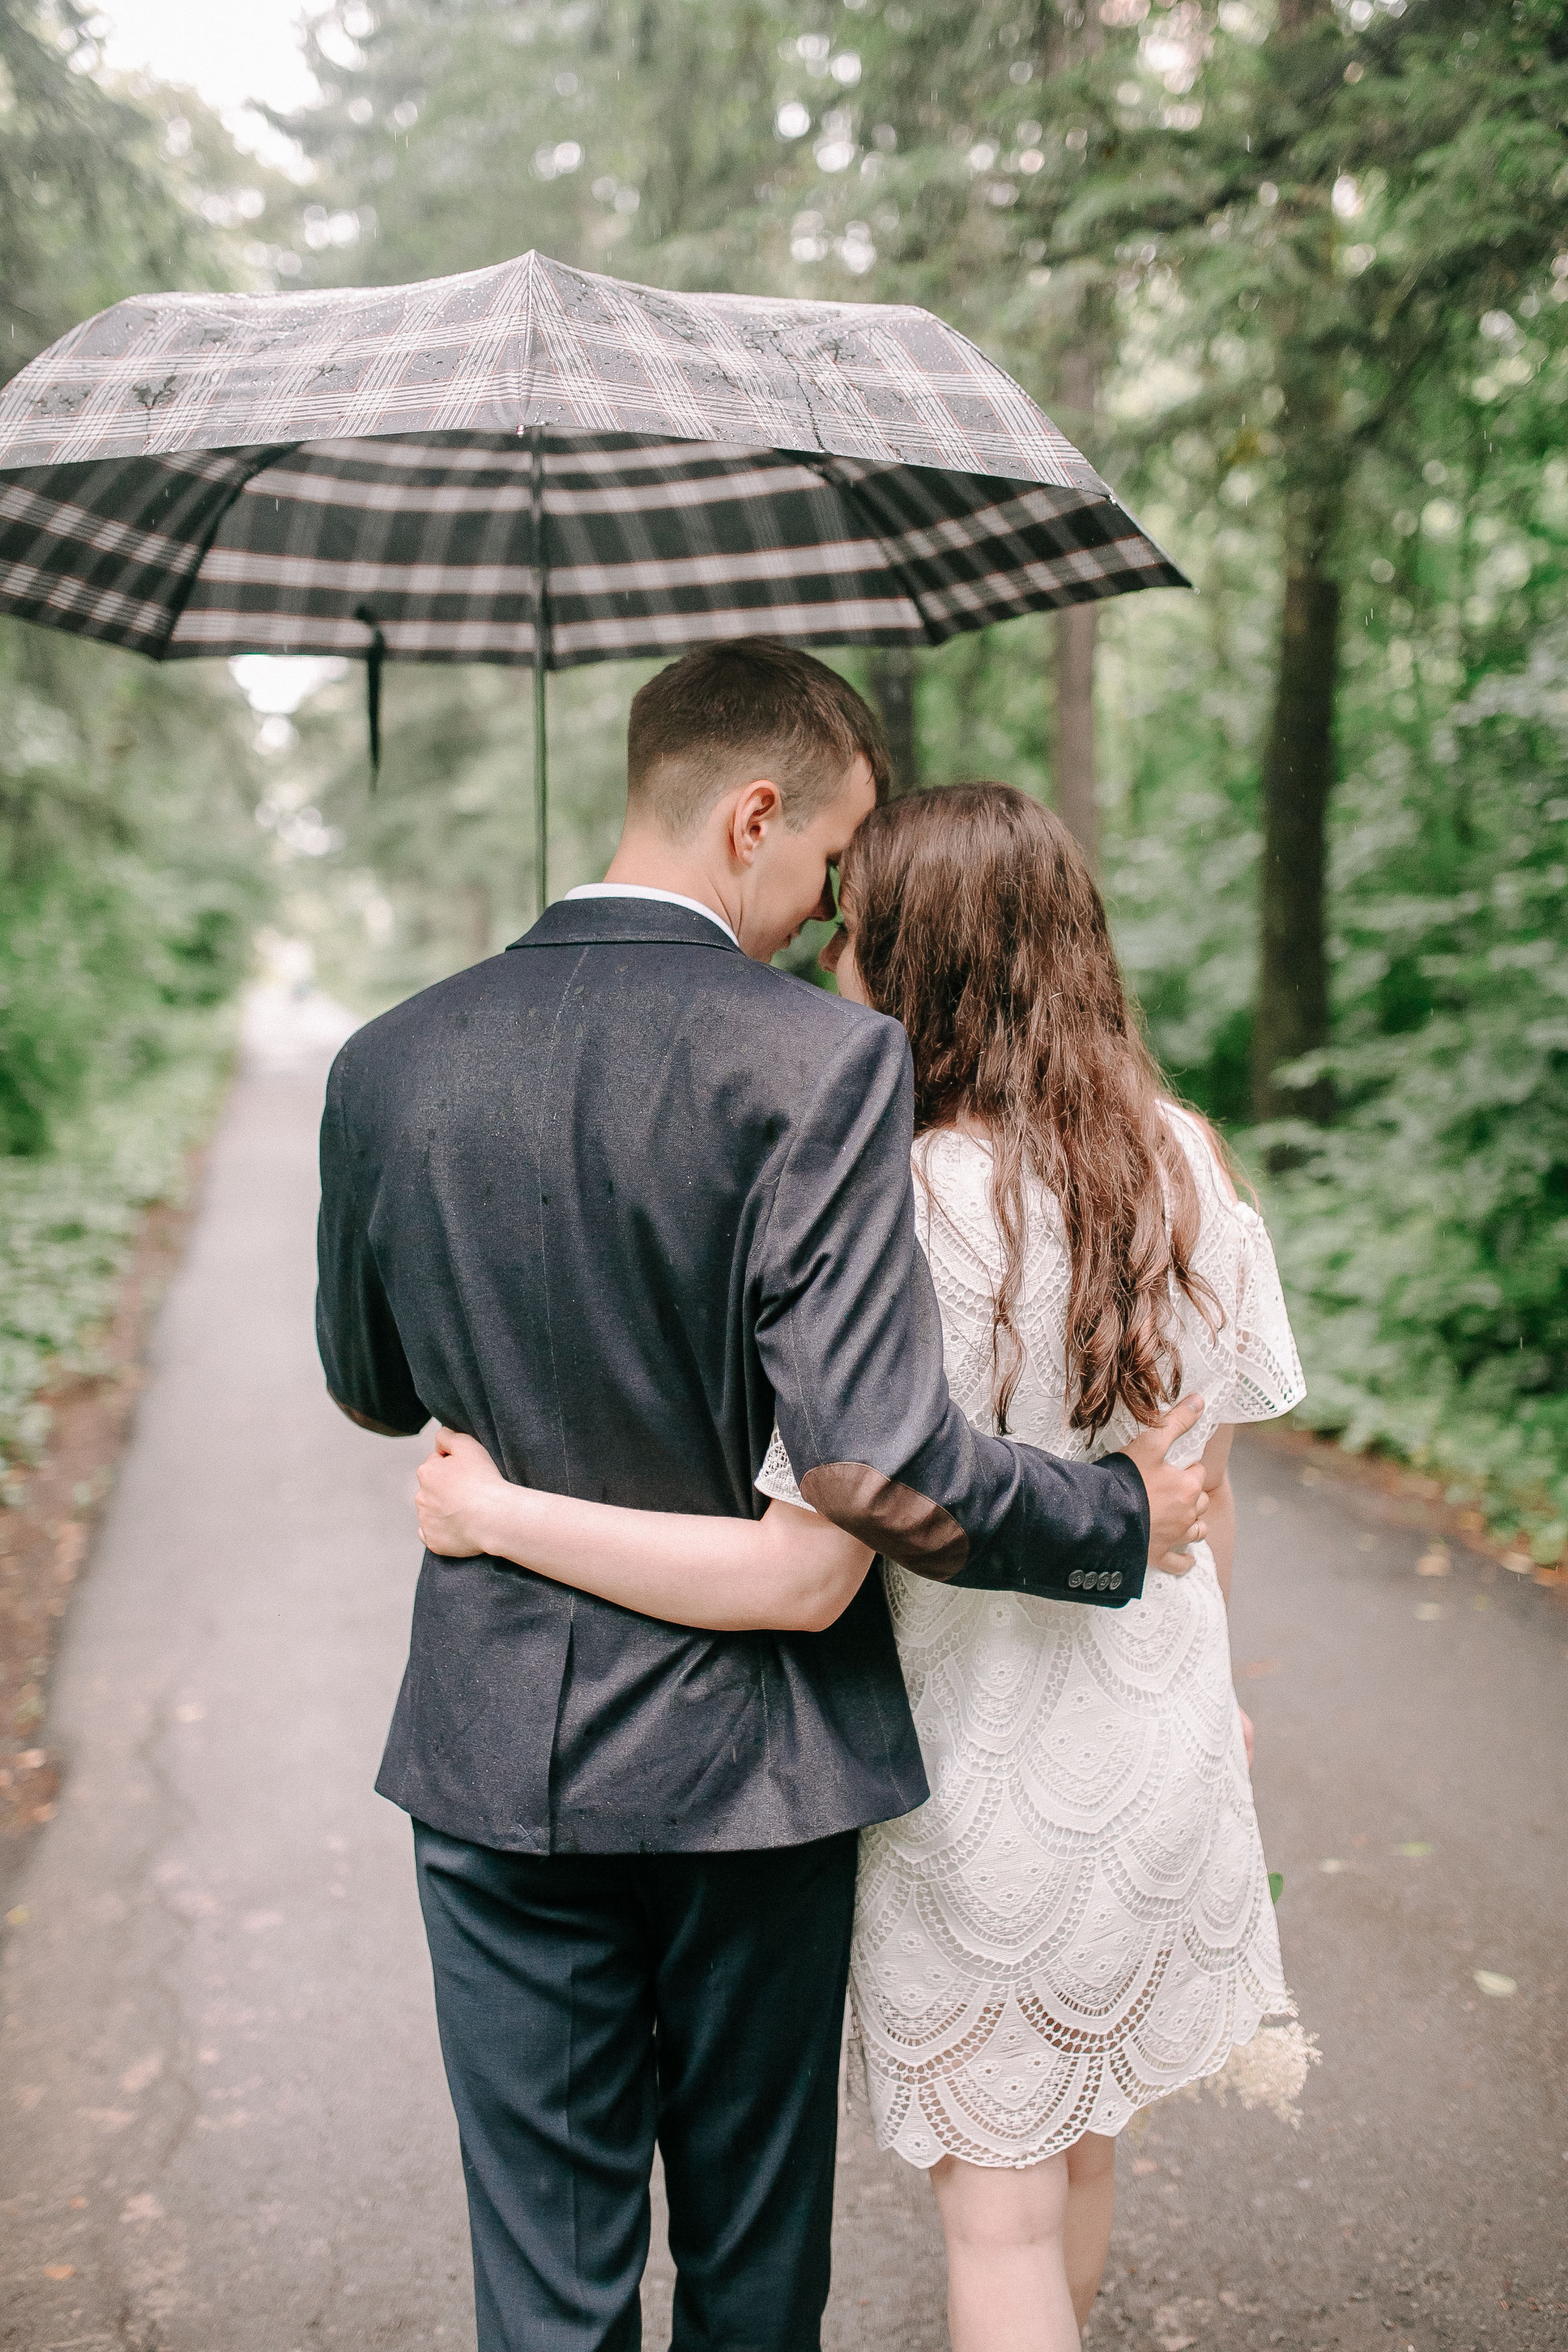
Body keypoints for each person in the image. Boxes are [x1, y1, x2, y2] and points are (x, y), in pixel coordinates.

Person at [315, 644, 1210, 2352]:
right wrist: (1114, 1521)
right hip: (757, 1772)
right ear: (750, 818)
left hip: (496, 1749)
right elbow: (872, 1462)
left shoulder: (389, 1062)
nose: (825, 909)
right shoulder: (819, 1063)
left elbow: (368, 1387)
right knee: (749, 2269)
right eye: (826, 861)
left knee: (547, 2284)